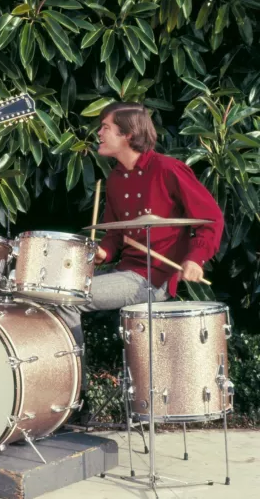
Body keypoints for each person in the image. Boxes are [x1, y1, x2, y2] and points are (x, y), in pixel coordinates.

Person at [56, 102, 224, 421]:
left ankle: (75, 396)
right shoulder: (116, 179)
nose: (99, 132)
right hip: (126, 273)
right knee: (57, 290)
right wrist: (100, 253)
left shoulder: (168, 169)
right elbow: (113, 237)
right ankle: (63, 390)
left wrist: (195, 258)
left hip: (152, 280)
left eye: (106, 127)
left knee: (69, 297)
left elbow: (211, 218)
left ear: (128, 134)